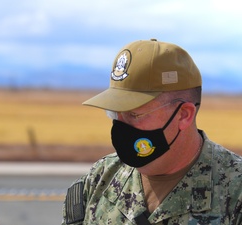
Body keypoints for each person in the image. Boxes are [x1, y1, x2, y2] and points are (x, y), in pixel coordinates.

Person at [61, 39, 242, 224]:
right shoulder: (100, 178)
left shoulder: (235, 191)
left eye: (134, 114)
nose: (121, 126)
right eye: (115, 113)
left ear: (183, 115)